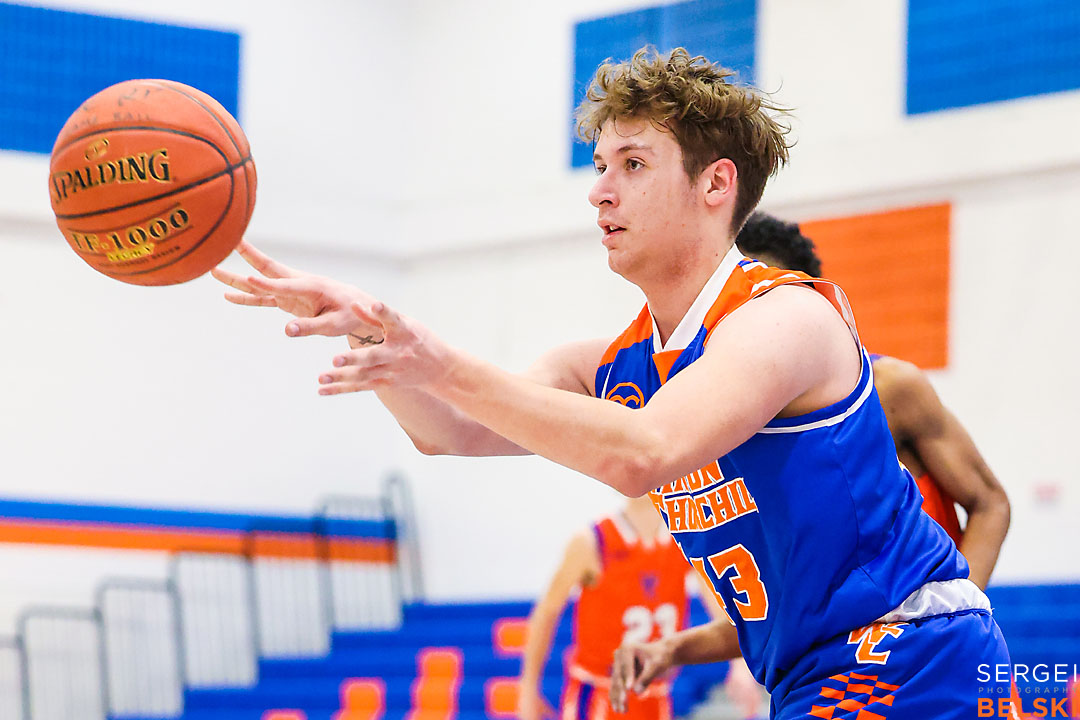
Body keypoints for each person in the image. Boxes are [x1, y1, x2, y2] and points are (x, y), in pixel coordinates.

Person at [211, 47, 1012, 718]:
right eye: (600, 166)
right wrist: (371, 330)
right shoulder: (616, 363)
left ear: (716, 185)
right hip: (809, 673)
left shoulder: (785, 319)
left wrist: (436, 354)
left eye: (633, 164)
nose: (600, 190)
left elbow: (644, 453)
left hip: (914, 655)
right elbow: (447, 430)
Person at [735, 212, 1011, 589]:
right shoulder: (737, 424)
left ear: (813, 304)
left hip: (928, 638)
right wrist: (674, 649)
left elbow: (990, 504)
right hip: (833, 644)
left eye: (767, 299)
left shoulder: (889, 387)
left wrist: (959, 609)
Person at [518, 495, 708, 720]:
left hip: (656, 696)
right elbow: (546, 613)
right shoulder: (593, 540)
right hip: (598, 694)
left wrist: (740, 667)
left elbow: (725, 613)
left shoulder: (685, 539)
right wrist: (528, 688)